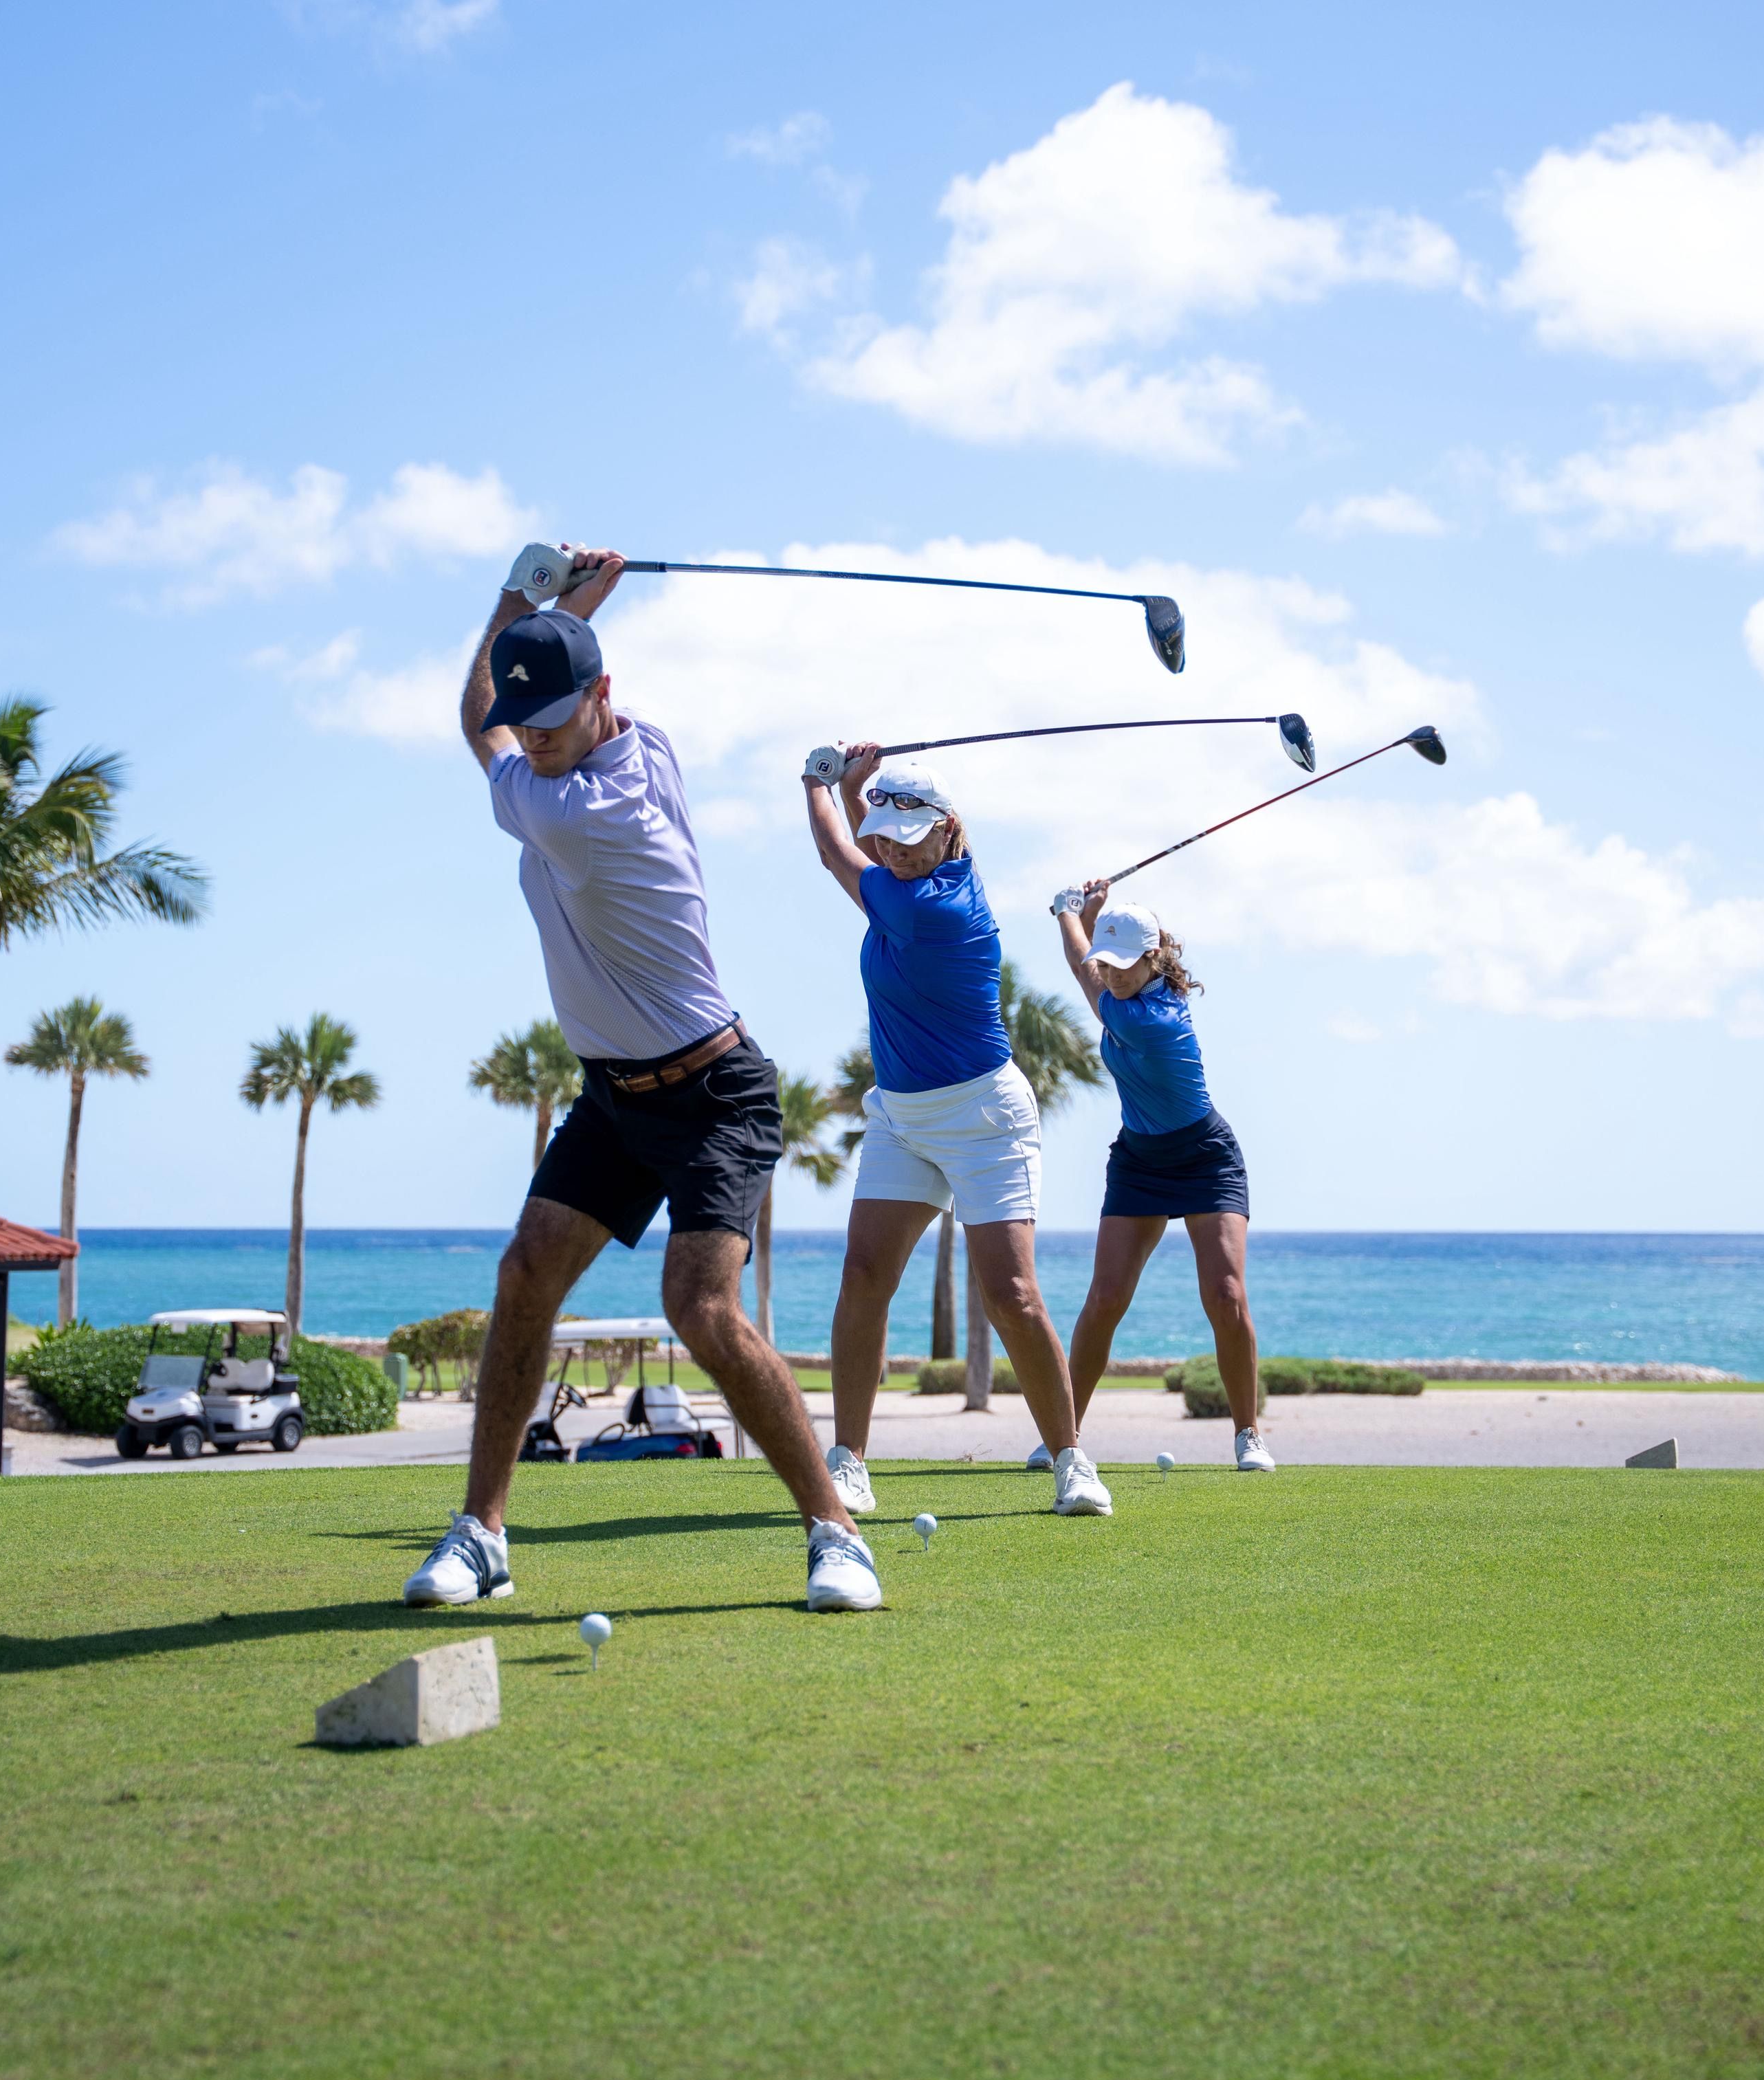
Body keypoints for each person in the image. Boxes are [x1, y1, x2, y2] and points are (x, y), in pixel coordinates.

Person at [401, 542, 883, 1616]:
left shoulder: (576, 813)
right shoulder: (643, 742)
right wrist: (561, 610)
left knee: (699, 1308)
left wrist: (520, 595)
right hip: (616, 1096)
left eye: (551, 719)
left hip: (715, 1095)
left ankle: (836, 1535)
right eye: (529, 721)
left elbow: (476, 717)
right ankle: (482, 1535)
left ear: (600, 696)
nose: (533, 737)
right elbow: (510, 699)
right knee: (527, 1272)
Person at [802, 742, 1112, 1518]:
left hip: (984, 1120)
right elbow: (863, 851)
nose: (895, 854)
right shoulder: (905, 881)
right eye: (886, 840)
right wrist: (855, 789)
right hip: (901, 1119)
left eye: (911, 841)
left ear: (948, 829)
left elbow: (838, 857)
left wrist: (816, 783)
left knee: (1012, 1294)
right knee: (863, 1276)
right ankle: (848, 1462)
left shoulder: (937, 907)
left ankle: (1071, 1460)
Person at [1050, 878, 1275, 1471]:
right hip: (1140, 1161)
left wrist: (1067, 913)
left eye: (1125, 964)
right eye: (1109, 963)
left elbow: (1081, 967)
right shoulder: (1126, 990)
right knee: (1105, 1299)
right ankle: (1063, 1435)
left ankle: (1248, 1434)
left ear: (1154, 958)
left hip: (1205, 1156)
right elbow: (1089, 962)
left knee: (1226, 1295)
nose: (1113, 974)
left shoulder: (1153, 1017)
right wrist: (1093, 914)